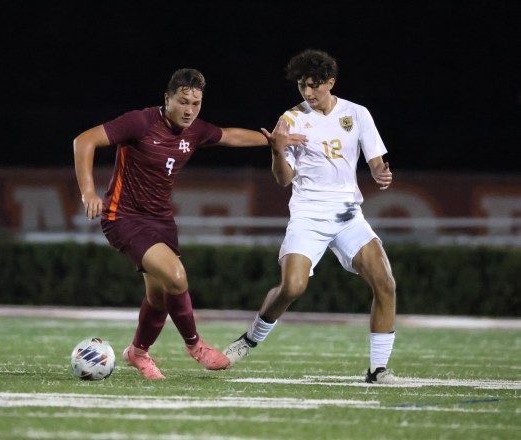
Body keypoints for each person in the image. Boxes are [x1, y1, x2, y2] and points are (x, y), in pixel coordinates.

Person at [73, 68, 296, 380]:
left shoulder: (195, 130)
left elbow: (229, 135)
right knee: (177, 277)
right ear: (167, 99)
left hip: (161, 220)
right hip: (122, 217)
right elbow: (84, 141)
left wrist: (272, 140)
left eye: (196, 103)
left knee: (159, 296)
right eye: (183, 102)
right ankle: (196, 346)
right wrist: (87, 191)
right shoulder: (141, 121)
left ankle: (137, 352)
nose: (190, 110)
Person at [223, 49, 399, 384]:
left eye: (315, 85)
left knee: (385, 283)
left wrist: (380, 173)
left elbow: (376, 160)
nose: (308, 92)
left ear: (331, 82)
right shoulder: (290, 120)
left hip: (348, 213)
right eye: (303, 85)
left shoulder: (356, 114)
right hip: (308, 213)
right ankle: (250, 339)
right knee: (292, 287)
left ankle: (378, 370)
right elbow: (283, 179)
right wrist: (277, 149)